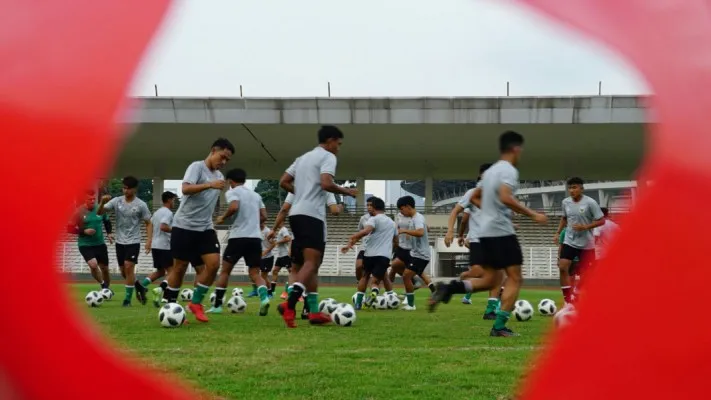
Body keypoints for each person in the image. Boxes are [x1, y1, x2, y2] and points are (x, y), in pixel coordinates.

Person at [430, 130, 547, 337]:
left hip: (484, 234)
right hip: (501, 231)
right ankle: (499, 326)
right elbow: (505, 197)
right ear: (516, 149)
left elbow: (475, 196)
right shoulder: (508, 170)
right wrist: (532, 214)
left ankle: (449, 288)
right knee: (515, 278)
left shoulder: (491, 172)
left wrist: (488, 212)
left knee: (491, 280)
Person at [276, 125, 358, 328]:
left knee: (311, 265)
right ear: (330, 141)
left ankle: (313, 312)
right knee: (311, 263)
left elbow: (283, 181)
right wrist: (347, 192)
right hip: (312, 215)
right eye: (338, 144)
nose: (338, 149)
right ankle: (290, 304)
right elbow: (326, 183)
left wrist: (301, 192)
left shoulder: (302, 158)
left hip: (296, 214)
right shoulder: (328, 156)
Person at [161, 138, 235, 324]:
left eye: (227, 160)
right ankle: (172, 307)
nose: (224, 162)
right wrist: (209, 185)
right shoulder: (197, 167)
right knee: (179, 268)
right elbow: (185, 189)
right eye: (222, 157)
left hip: (205, 228)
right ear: (213, 150)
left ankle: (196, 303)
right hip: (184, 226)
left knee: (214, 264)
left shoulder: (218, 176)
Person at [209, 168, 271, 315]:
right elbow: (264, 216)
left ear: (231, 181)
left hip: (238, 237)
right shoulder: (256, 195)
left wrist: (222, 218)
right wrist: (253, 222)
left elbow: (234, 206)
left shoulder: (232, 192)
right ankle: (264, 299)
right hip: (255, 238)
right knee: (255, 273)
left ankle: (217, 306)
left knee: (225, 271)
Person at [270, 190, 341, 319]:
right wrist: (340, 206)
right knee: (312, 270)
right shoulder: (324, 184)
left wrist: (273, 229)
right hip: (317, 233)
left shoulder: (297, 186)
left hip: (298, 234)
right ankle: (310, 310)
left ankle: (290, 303)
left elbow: (284, 210)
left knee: (295, 270)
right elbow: (335, 210)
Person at [97, 176, 152, 307]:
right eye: (124, 188)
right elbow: (99, 213)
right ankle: (139, 287)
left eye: (127, 188)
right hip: (119, 242)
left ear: (134, 189)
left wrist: (149, 240)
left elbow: (148, 223)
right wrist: (102, 202)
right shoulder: (117, 201)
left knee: (128, 267)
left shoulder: (141, 205)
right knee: (124, 272)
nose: (125, 190)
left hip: (133, 241)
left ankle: (127, 300)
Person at [554, 177, 605, 308]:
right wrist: (558, 233)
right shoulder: (565, 202)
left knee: (587, 274)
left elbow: (601, 221)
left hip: (587, 243)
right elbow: (564, 218)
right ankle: (567, 299)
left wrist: (585, 227)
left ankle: (576, 292)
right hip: (569, 241)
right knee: (563, 267)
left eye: (575, 187)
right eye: (570, 188)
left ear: (581, 188)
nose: (572, 190)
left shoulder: (590, 202)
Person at [345, 197, 398, 310]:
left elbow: (367, 230)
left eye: (370, 205)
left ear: (374, 207)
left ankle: (358, 303)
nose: (369, 207)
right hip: (384, 255)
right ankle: (374, 291)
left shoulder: (373, 219)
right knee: (376, 280)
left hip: (369, 254)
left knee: (365, 276)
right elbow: (396, 241)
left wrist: (353, 237)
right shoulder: (392, 223)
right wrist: (390, 251)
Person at [132, 191, 178, 307]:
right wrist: (176, 231)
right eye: (174, 200)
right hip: (165, 246)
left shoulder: (157, 212)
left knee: (160, 271)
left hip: (156, 246)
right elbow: (163, 226)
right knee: (172, 271)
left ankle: (142, 286)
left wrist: (149, 240)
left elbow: (150, 224)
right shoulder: (168, 213)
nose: (174, 202)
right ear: (169, 200)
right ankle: (162, 290)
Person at [396, 196, 434, 311]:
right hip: (415, 254)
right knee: (407, 275)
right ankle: (435, 291)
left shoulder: (417, 218)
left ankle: (411, 305)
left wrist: (404, 231)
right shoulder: (415, 218)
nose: (401, 212)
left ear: (408, 207)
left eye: (402, 209)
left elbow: (421, 232)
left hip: (421, 255)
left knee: (406, 276)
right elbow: (424, 229)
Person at [71, 190, 113, 291]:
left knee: (105, 269)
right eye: (90, 199)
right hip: (85, 244)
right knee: (93, 265)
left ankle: (106, 289)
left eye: (94, 198)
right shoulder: (78, 212)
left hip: (100, 244)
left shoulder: (99, 208)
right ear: (85, 199)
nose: (93, 200)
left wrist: (109, 233)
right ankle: (103, 285)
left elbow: (106, 221)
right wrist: (84, 231)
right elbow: (70, 228)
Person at [270, 225, 292, 299]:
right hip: (280, 255)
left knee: (291, 272)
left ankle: (290, 291)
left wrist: (278, 242)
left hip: (285, 255)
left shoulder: (284, 229)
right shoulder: (280, 230)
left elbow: (288, 238)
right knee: (275, 271)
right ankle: (272, 292)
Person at [260, 221, 276, 297]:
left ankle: (270, 292)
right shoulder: (257, 230)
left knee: (263, 276)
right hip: (260, 257)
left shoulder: (268, 231)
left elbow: (274, 244)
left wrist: (266, 251)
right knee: (261, 276)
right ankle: (267, 292)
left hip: (268, 257)